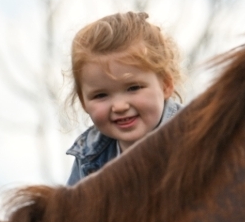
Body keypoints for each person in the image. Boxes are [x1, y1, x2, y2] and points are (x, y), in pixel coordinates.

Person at [65, 11, 183, 185]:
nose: (119, 106)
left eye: (133, 88)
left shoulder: (193, 139)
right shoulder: (89, 156)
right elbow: (72, 211)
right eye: (101, 95)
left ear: (165, 85)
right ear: (84, 102)